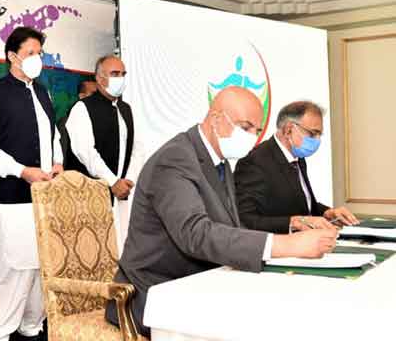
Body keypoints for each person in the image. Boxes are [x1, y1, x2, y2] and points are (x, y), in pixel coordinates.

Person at [104, 87, 338, 338]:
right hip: (154, 295)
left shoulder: (221, 162)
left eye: (257, 130)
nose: (252, 138)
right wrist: (286, 245)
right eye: (245, 127)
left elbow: (231, 228)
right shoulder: (174, 159)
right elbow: (196, 233)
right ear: (216, 119)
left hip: (202, 285)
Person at [0, 26, 63, 341]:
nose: (37, 58)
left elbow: (53, 136)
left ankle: (32, 328)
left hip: (45, 198)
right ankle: (0, 333)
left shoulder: (43, 92)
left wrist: (57, 162)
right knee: (11, 270)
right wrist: (22, 171)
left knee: (42, 268)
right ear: (12, 56)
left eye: (40, 53)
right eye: (30, 53)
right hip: (12, 198)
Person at [234, 100, 359, 233]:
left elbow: (300, 204)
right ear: (288, 130)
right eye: (312, 133)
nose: (317, 140)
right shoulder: (255, 162)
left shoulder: (298, 157)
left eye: (319, 135)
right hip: (281, 243)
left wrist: (327, 212)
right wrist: (293, 223)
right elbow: (247, 220)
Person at [65, 55, 142, 254]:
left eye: (123, 74)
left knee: (122, 249)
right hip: (90, 196)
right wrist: (112, 181)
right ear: (99, 79)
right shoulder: (82, 109)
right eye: (115, 74)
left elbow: (137, 148)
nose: (120, 78)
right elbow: (85, 152)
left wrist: (128, 180)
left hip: (122, 194)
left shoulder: (126, 109)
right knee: (93, 253)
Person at [56, 77, 96, 168]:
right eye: (93, 94)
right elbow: (62, 155)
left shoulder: (102, 118)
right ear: (82, 96)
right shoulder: (66, 122)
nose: (97, 98)